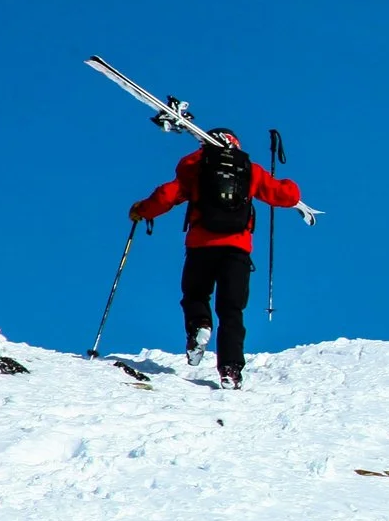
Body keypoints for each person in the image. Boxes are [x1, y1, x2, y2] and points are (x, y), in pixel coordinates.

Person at [129, 128, 306, 387]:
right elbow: (288, 195)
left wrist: (141, 210)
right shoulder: (250, 170)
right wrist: (284, 182)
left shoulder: (195, 167)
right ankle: (231, 369)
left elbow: (167, 195)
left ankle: (199, 326)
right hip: (237, 249)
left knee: (195, 295)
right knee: (231, 310)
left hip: (201, 246)